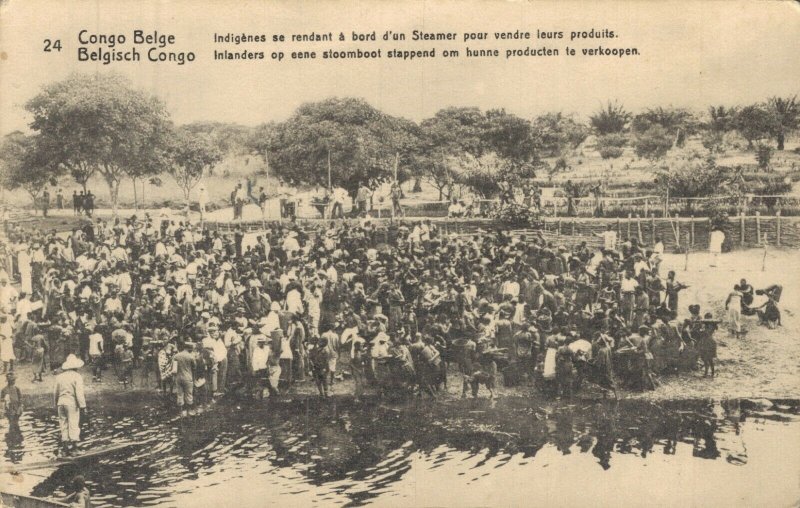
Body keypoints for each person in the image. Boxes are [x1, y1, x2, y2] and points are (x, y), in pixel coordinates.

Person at [53, 354, 87, 455]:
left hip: (61, 402)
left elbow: (55, 392)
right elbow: (79, 393)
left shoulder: (59, 377)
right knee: (73, 423)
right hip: (71, 403)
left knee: (63, 424)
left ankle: (64, 449)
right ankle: (74, 449)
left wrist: (56, 404)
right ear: (76, 366)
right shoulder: (77, 376)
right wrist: (83, 406)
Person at [173, 342, 196, 417]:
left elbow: (174, 369)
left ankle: (182, 412)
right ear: (189, 348)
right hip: (188, 377)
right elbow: (194, 367)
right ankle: (189, 411)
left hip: (178, 377)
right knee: (189, 394)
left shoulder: (176, 356)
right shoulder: (191, 357)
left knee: (180, 394)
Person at [697, 312, 718, 378]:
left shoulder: (710, 326)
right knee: (707, 359)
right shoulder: (709, 325)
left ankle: (709, 373)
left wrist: (700, 331)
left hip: (708, 342)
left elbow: (706, 333)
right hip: (707, 342)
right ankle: (710, 373)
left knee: (708, 359)